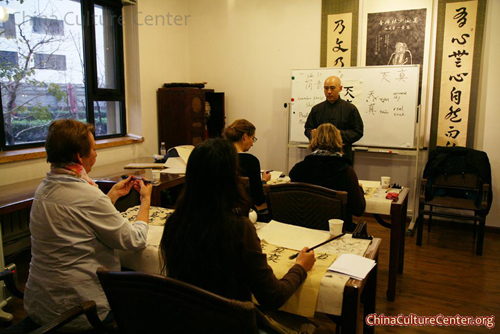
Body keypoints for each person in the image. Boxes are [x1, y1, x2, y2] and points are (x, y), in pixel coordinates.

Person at [24, 119, 153, 331]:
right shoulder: (88, 196)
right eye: (93, 149)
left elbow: (78, 222)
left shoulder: (43, 190)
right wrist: (145, 201)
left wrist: (110, 197)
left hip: (39, 304)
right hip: (78, 310)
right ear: (79, 156)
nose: (96, 154)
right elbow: (134, 240)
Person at [160, 138, 315, 311]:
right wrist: (300, 267)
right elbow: (273, 297)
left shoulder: (174, 223)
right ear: (230, 178)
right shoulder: (238, 228)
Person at [290, 123, 365, 232]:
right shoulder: (346, 172)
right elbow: (358, 210)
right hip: (336, 230)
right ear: (338, 140)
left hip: (304, 227)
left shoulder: (298, 170)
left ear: (314, 139)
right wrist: (359, 190)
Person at [304, 75, 364, 162]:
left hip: (343, 156)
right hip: (319, 158)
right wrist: (314, 134)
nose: (329, 92)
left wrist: (336, 134)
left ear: (340, 89)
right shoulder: (316, 109)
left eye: (332, 88)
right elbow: (307, 129)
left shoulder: (350, 109)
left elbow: (358, 131)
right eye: (326, 88)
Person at [223, 119, 270, 209]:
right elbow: (258, 199)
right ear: (245, 137)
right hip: (244, 213)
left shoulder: (219, 157)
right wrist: (263, 181)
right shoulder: (251, 161)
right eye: (253, 138)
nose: (252, 143)